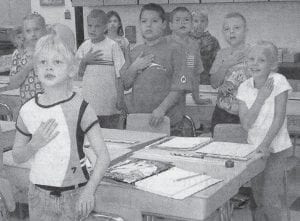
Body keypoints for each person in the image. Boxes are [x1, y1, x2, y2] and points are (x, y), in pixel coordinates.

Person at [12, 33, 110, 221]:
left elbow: (103, 156)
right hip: (39, 196)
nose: (49, 67)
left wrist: (89, 191)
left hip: (75, 195)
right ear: (35, 68)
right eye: (42, 62)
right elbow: (17, 156)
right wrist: (34, 144)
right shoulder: (28, 110)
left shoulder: (81, 107)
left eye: (57, 62)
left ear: (72, 69)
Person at [237, 41, 292, 221]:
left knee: (271, 198)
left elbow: (279, 118)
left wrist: (266, 144)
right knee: (259, 197)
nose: (254, 63)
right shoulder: (244, 87)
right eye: (251, 59)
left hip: (276, 148)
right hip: (255, 150)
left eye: (261, 60)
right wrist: (260, 98)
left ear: (273, 65)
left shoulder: (278, 81)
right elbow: (246, 124)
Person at [121, 3, 189, 136]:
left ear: (164, 24)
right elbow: (125, 83)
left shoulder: (176, 50)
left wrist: (161, 109)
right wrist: (134, 67)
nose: (148, 25)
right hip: (140, 122)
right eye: (144, 21)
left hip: (168, 123)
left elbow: (180, 87)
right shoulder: (135, 52)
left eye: (154, 21)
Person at [76, 9, 125, 129]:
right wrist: (84, 61)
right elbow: (78, 74)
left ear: (105, 27)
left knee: (111, 138)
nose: (92, 29)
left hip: (109, 105)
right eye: (90, 25)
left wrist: (120, 97)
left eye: (97, 26)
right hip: (89, 105)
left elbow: (120, 74)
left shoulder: (113, 46)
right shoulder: (84, 46)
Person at [210, 12, 251, 134]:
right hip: (222, 113)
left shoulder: (254, 53)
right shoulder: (221, 54)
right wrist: (226, 64)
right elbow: (214, 83)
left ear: (246, 30)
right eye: (227, 29)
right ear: (223, 33)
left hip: (248, 112)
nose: (231, 32)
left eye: (236, 28)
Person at [167, 6, 210, 105]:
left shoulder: (194, 46)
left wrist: (197, 98)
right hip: (161, 97)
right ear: (171, 25)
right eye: (177, 20)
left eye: (186, 20)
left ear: (191, 25)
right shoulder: (164, 43)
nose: (182, 23)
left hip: (181, 100)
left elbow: (196, 75)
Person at [8, 13, 47, 104]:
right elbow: (13, 84)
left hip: (50, 104)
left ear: (45, 30)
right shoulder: (18, 54)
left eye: (36, 29)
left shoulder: (52, 50)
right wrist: (28, 67)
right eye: (28, 31)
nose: (33, 34)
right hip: (27, 105)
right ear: (24, 34)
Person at [106, 10, 131, 128]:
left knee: (120, 107)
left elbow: (128, 60)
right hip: (107, 78)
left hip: (121, 77)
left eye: (115, 21)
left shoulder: (124, 41)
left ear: (120, 23)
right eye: (109, 21)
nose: (112, 24)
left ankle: (121, 127)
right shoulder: (102, 41)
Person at [190, 11, 220, 85]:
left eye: (202, 21)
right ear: (191, 23)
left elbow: (217, 61)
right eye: (196, 21)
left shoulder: (213, 41)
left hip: (206, 80)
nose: (199, 24)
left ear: (206, 23)